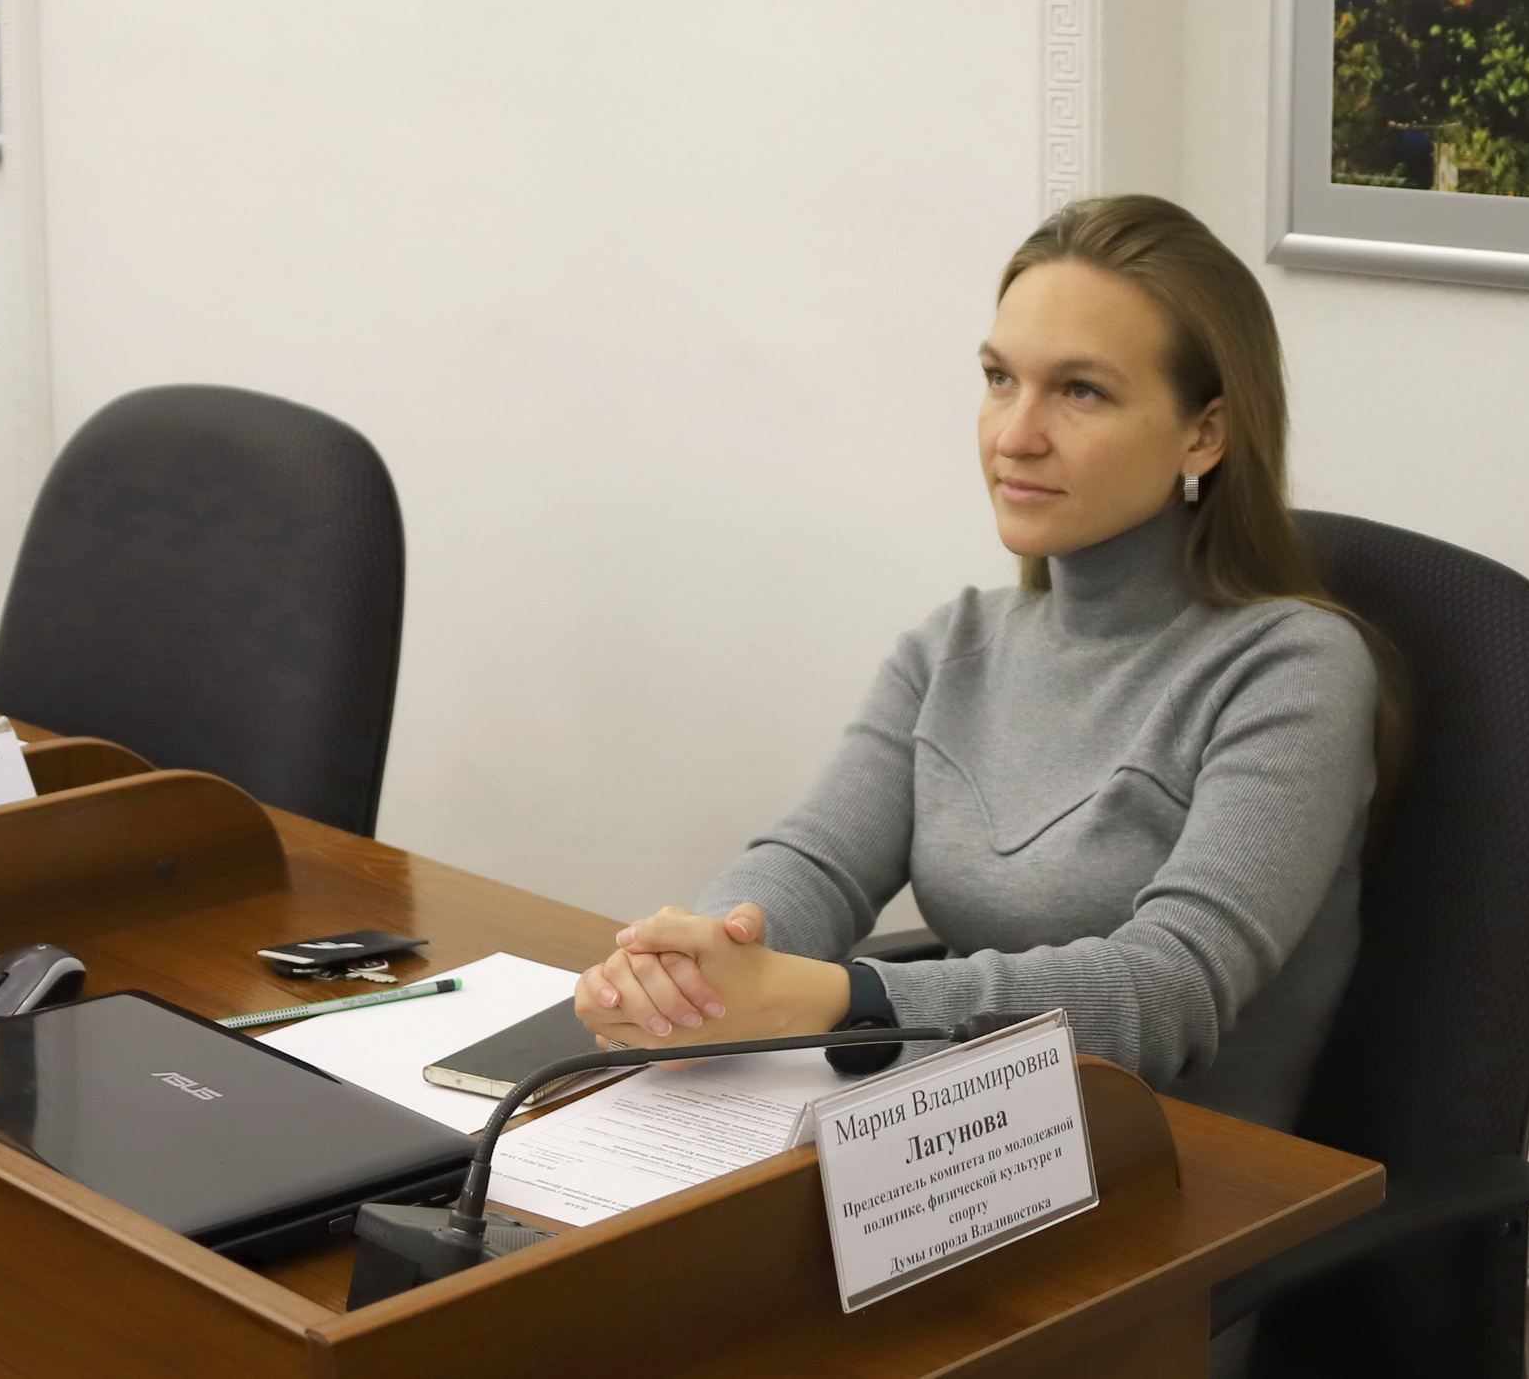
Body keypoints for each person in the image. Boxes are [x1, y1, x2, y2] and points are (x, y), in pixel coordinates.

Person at [575, 194, 1400, 1130]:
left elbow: (1168, 987)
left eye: (1081, 391)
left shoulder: (1292, 667)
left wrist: (843, 1000)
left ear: (1204, 433)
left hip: (1186, 1176)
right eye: (1001, 379)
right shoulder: (955, 645)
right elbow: (814, 861)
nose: (1015, 435)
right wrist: (695, 972)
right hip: (961, 1142)